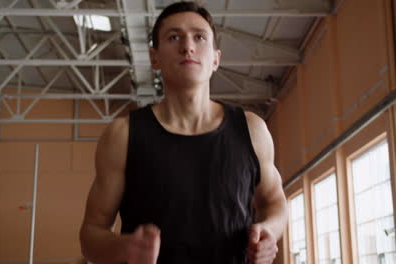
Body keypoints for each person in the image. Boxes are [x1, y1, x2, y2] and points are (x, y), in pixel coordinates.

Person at [79, 2, 287, 263]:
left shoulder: (252, 130)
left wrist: (269, 231)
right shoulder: (122, 135)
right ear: (154, 58)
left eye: (199, 37)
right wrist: (126, 247)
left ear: (215, 59)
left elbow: (274, 202)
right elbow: (91, 234)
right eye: (174, 37)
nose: (188, 46)